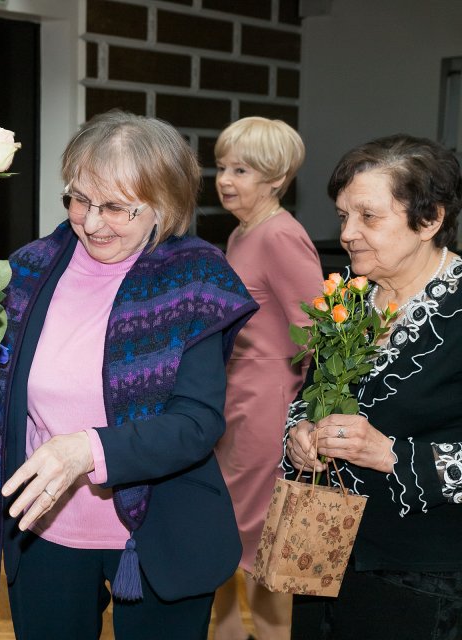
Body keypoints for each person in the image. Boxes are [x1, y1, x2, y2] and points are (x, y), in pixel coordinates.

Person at [0, 110, 258, 640]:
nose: (91, 222)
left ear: (164, 204)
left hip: (160, 535)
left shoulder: (195, 278)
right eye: (78, 199)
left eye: (115, 207)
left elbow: (197, 422)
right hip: (43, 528)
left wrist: (87, 451)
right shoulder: (28, 268)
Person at [285, 134, 462, 640]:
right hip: (320, 552)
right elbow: (307, 396)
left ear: (429, 220)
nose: (347, 233)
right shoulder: (349, 296)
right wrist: (300, 435)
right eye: (343, 216)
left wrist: (389, 455)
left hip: (424, 575)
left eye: (369, 217)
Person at [211, 117, 324, 640]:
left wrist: (306, 417)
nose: (226, 179)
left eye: (242, 169)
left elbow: (317, 333)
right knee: (225, 531)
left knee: (261, 540)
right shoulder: (241, 231)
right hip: (236, 399)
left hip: (268, 405)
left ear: (276, 179)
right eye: (222, 166)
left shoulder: (281, 235)